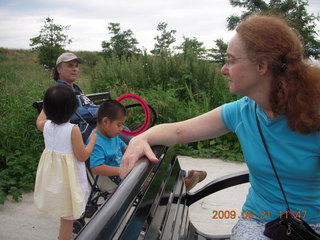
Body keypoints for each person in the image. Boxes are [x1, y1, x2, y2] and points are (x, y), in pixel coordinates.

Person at [119, 14, 320, 239]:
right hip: (258, 221)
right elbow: (178, 131)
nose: (223, 70)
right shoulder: (242, 112)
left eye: (231, 60)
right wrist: (140, 139)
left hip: (312, 226)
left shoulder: (315, 114)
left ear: (261, 66)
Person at [34, 84, 97, 240]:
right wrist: (93, 139)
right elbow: (82, 156)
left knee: (65, 216)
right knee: (67, 221)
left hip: (55, 180)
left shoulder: (46, 126)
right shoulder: (72, 129)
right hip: (69, 181)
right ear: (73, 109)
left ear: (47, 109)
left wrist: (46, 108)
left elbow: (39, 121)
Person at [88, 99, 128, 193]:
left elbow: (126, 148)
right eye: (119, 125)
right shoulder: (95, 141)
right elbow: (96, 168)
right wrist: (122, 170)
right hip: (113, 182)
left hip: (124, 176)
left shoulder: (113, 136)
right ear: (105, 121)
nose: (121, 129)